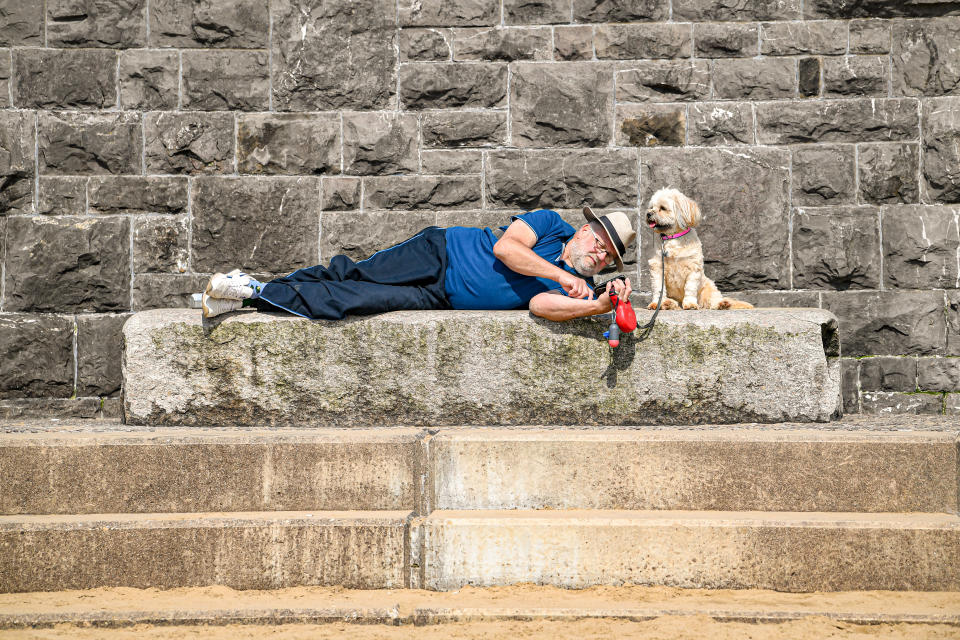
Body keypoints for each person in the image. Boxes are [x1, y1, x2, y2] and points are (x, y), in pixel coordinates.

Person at [200, 207, 637, 322]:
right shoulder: (550, 226)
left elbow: (541, 307)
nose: (599, 256)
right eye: (600, 243)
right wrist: (562, 273)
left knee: (355, 299)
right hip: (439, 252)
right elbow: (507, 250)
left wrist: (597, 307)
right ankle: (254, 285)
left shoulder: (577, 289)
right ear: (585, 231)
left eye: (607, 258)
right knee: (354, 273)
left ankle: (253, 295)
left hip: (439, 298)